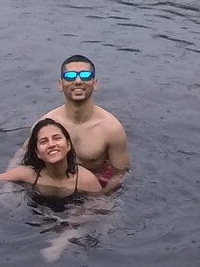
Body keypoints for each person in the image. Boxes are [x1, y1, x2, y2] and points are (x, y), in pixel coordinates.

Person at [27, 54, 129, 187]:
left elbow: (120, 173)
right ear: (60, 84)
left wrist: (99, 199)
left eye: (86, 75)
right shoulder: (46, 125)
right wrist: (8, 188)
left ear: (95, 83)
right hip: (55, 186)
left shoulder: (111, 128)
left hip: (95, 188)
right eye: (70, 76)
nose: (78, 81)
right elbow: (22, 158)